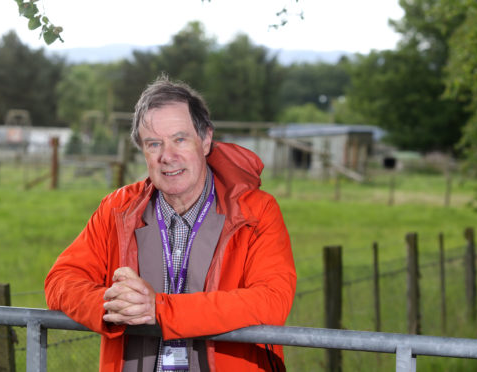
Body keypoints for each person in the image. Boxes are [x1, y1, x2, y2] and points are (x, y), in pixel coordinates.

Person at [45, 76, 297, 372]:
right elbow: (60, 281)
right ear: (143, 150)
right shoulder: (116, 210)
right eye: (154, 144)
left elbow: (272, 300)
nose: (167, 156)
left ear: (205, 141)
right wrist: (112, 303)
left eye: (179, 139)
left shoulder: (255, 211)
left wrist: (161, 310)